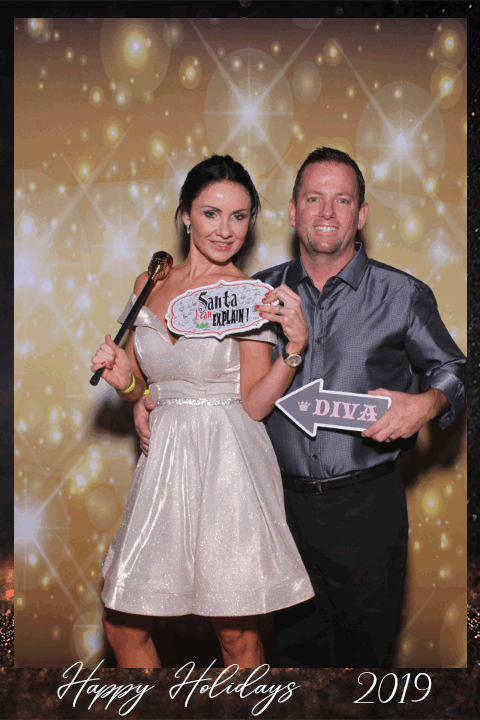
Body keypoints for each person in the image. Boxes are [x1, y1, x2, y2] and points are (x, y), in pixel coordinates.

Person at [135, 147, 466, 668]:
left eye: (342, 200)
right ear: (292, 212)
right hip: (277, 505)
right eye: (314, 198)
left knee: (366, 669)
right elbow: (193, 366)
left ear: (361, 214)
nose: (327, 212)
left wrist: (426, 403)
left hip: (366, 508)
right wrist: (146, 398)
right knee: (292, 668)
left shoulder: (401, 294)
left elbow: (455, 368)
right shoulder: (250, 292)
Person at [90, 154, 314, 669]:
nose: (225, 229)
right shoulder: (148, 283)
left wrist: (295, 350)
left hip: (228, 463)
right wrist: (127, 384)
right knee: (122, 625)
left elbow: (255, 403)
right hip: (164, 465)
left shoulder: (250, 296)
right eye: (211, 213)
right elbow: (147, 384)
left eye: (239, 216)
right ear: (186, 215)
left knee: (236, 636)